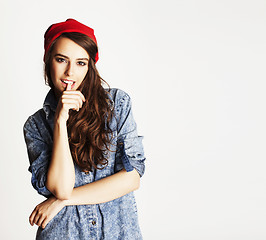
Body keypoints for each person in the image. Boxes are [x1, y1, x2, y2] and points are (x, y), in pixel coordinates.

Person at [23, 18, 146, 240]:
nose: (70, 72)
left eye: (81, 63)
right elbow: (62, 187)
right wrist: (60, 120)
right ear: (48, 59)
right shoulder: (36, 126)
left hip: (118, 233)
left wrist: (61, 202)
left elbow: (131, 178)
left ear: (90, 66)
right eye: (62, 60)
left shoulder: (117, 104)